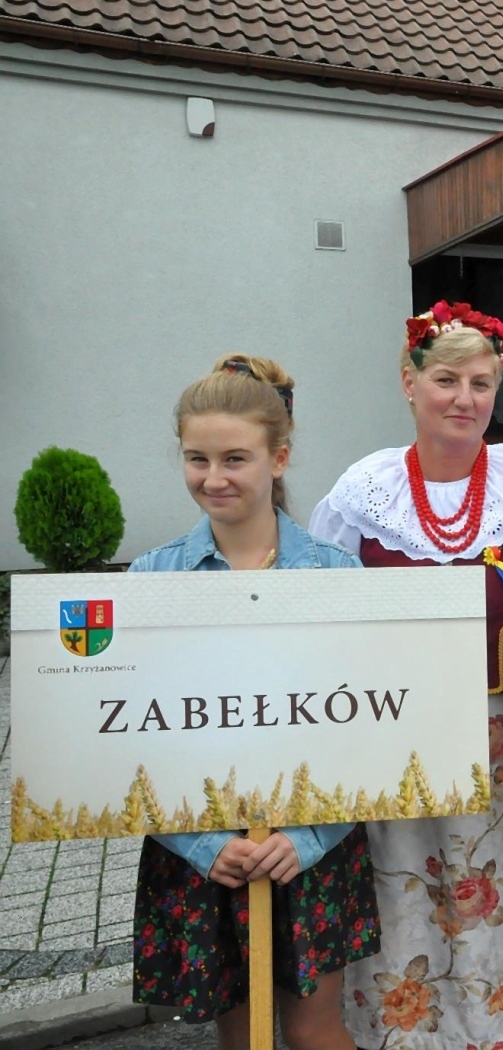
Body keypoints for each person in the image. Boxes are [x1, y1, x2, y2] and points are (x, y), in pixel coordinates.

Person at [310, 301, 503, 1050]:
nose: (465, 399)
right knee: (408, 905)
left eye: (482, 383)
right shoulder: (364, 493)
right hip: (400, 741)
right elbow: (325, 617)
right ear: (409, 382)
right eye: (446, 379)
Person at [128, 355, 378, 1050]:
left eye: (235, 457)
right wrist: (205, 844)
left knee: (313, 1029)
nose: (214, 477)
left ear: (280, 456)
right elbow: (130, 738)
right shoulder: (153, 577)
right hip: (206, 847)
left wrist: (307, 839)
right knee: (240, 1036)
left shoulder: (335, 573)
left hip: (311, 845)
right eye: (196, 458)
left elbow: (372, 729)